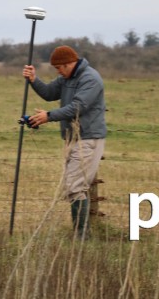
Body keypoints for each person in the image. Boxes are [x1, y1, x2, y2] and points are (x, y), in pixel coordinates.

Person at [23, 45, 106, 239]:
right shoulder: (67, 77)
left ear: (69, 64)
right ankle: (81, 234)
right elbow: (50, 93)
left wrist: (48, 116)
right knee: (73, 186)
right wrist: (34, 79)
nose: (58, 72)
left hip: (88, 139)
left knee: (75, 186)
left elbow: (78, 107)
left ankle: (81, 236)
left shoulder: (90, 79)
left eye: (59, 68)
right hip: (72, 138)